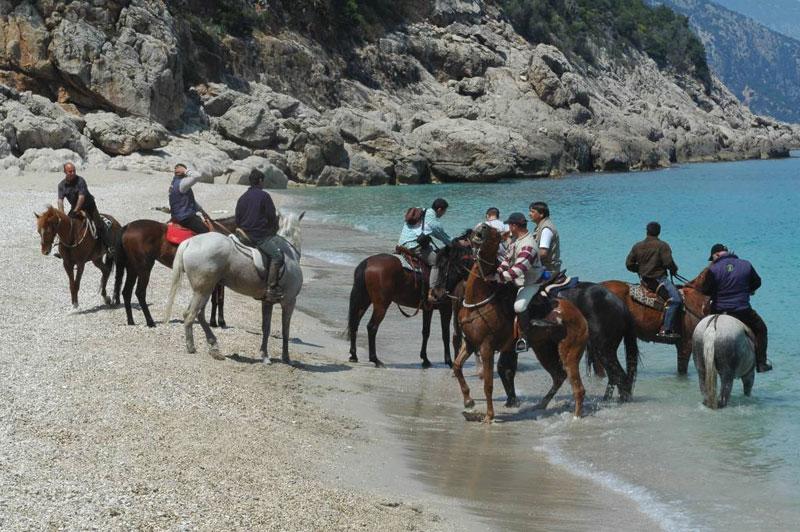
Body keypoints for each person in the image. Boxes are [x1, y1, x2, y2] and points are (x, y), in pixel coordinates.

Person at [702, 244, 771, 372]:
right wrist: (748, 290)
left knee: (703, 330)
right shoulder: (746, 265)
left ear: (716, 255)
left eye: (712, 258)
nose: (713, 261)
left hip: (719, 310)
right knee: (761, 329)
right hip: (742, 310)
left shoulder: (713, 269)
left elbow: (705, 290)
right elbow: (757, 282)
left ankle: (702, 362)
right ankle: (761, 363)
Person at [493, 212, 548, 352]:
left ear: (515, 226)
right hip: (518, 281)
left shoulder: (528, 245)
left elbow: (517, 270)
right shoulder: (516, 240)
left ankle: (525, 338)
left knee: (519, 306)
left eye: (510, 225)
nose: (508, 228)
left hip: (531, 282)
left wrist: (496, 277)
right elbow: (507, 260)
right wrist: (498, 271)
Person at [626, 221, 682, 341]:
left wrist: (640, 269)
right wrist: (674, 269)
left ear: (647, 231)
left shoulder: (637, 246)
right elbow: (668, 263)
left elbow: (629, 264)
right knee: (676, 300)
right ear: (659, 232)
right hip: (658, 280)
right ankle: (666, 329)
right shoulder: (662, 246)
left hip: (644, 280)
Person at [235, 173, 283, 302]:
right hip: (258, 236)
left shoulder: (242, 197)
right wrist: (272, 230)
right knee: (277, 256)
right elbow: (271, 217)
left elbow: (237, 218)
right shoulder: (264, 196)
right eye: (263, 181)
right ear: (260, 180)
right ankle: (271, 289)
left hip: (243, 234)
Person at [397, 198, 452, 303]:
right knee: (437, 262)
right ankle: (432, 292)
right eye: (444, 212)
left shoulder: (419, 210)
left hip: (401, 244)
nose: (443, 214)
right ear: (440, 209)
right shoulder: (434, 223)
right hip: (413, 246)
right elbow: (447, 240)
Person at [57, 162, 113, 255]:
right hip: (75, 207)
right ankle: (62, 250)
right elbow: (60, 201)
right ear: (65, 172)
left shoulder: (80, 181)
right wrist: (62, 214)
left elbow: (81, 197)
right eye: (70, 171)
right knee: (65, 225)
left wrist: (76, 211)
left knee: (98, 224)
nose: (72, 173)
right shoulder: (61, 185)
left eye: (74, 171)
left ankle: (109, 246)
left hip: (89, 205)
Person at [169, 164, 208, 234]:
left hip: (176, 217)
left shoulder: (174, 183)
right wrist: (185, 170)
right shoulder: (182, 183)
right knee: (207, 233)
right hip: (186, 218)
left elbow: (189, 201)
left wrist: (201, 210)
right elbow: (197, 176)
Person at [529, 201, 562, 274]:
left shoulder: (546, 229)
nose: (530, 214)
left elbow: (543, 252)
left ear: (541, 214)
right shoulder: (541, 226)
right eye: (530, 212)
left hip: (548, 270)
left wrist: (526, 260)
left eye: (533, 212)